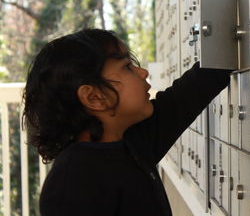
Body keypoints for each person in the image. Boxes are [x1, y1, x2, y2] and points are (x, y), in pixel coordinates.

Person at [22, 29, 231, 216]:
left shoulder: (132, 142)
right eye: (127, 67)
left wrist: (229, 30)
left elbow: (189, 93)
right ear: (94, 97)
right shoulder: (73, 182)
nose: (143, 72)